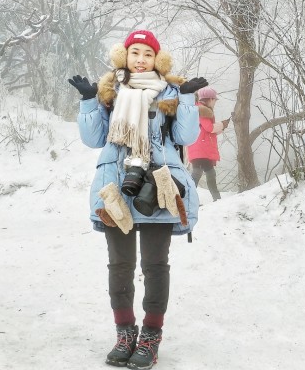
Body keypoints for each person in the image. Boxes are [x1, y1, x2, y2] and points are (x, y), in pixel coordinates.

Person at [69, 29, 207, 369]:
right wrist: (89, 101)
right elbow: (94, 139)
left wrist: (188, 100)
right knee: (120, 265)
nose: (141, 58)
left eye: (147, 53)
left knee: (155, 266)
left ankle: (150, 337)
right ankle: (125, 334)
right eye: (135, 52)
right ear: (124, 56)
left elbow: (185, 136)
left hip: (159, 186)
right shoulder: (109, 91)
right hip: (116, 187)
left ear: (156, 59)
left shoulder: (172, 92)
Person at [187, 86, 230, 201]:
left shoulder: (199, 109)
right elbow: (209, 128)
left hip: (199, 148)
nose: (215, 102)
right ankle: (216, 199)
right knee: (204, 174)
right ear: (209, 99)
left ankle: (189, 200)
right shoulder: (202, 110)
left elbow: (209, 132)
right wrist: (222, 124)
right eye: (215, 100)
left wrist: (223, 126)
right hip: (201, 149)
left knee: (204, 173)